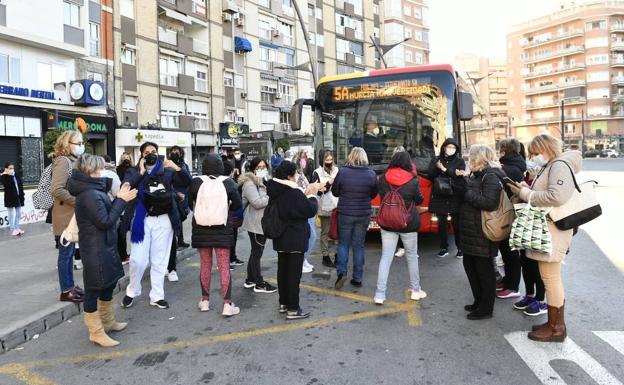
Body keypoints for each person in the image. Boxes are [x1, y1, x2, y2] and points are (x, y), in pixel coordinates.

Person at [509, 134, 582, 343]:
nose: (532, 156)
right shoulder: (552, 164)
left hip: (554, 229)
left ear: (544, 149)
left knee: (551, 279)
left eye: (534, 152)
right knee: (550, 278)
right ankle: (553, 323)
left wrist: (525, 193)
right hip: (549, 227)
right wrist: (524, 189)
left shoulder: (559, 165)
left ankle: (557, 328)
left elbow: (556, 196)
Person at [67, 154, 137, 347]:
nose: (101, 172)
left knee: (108, 284)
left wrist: (118, 196)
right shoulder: (89, 194)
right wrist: (121, 200)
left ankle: (107, 321)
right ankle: (96, 331)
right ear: (88, 171)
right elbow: (105, 221)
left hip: (103, 246)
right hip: (95, 249)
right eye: (97, 169)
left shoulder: (93, 189)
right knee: (93, 289)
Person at [120, 141, 191, 310]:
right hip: (142, 219)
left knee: (160, 259)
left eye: (153, 151)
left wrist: (175, 166)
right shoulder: (133, 171)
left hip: (164, 218)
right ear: (141, 155)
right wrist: (141, 171)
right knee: (138, 259)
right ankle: (133, 290)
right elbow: (127, 186)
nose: (150, 154)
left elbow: (187, 181)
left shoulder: (166, 170)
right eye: (147, 152)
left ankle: (157, 296)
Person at [266, 161, 321, 319]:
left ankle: (283, 303)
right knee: (293, 274)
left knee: (282, 271)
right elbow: (309, 209)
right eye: (295, 174)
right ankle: (293, 308)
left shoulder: (275, 189)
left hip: (280, 237)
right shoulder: (292, 192)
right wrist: (311, 195)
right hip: (295, 237)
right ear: (290, 175)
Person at [189, 154, 243, 316]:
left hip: (201, 229)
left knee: (205, 264)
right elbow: (238, 204)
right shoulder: (228, 182)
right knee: (224, 266)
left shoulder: (196, 182)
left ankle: (205, 301)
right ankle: (227, 304)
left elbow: (189, 203)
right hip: (222, 229)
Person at [459, 144, 504, 321]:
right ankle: (479, 301)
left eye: (471, 157)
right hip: (473, 230)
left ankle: (486, 308)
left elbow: (490, 203)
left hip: (483, 231)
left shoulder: (491, 175)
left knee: (484, 271)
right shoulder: (478, 174)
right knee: (471, 267)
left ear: (479, 159)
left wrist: (466, 193)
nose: (468, 160)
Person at [374, 152, 426, 305]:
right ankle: (416, 291)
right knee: (411, 256)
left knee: (386, 257)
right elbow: (419, 199)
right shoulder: (413, 180)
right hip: (408, 223)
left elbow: (382, 196)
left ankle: (380, 294)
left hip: (388, 222)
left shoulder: (382, 179)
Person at [332, 147, 378, 289]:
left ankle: (341, 273)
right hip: (363, 214)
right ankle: (357, 278)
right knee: (359, 245)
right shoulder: (371, 174)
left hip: (345, 213)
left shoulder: (343, 172)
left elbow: (335, 192)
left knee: (343, 244)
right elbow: (373, 194)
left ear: (351, 156)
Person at [51, 130, 85, 303]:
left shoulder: (72, 161)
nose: (81, 146)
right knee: (65, 254)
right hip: (65, 216)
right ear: (67, 144)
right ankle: (66, 290)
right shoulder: (63, 161)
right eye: (77, 143)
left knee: (70, 253)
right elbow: (56, 189)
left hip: (71, 216)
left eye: (81, 143)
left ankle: (70, 285)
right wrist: (78, 201)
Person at [238, 157, 277, 293]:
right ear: (253, 168)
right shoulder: (249, 183)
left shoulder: (263, 181)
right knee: (257, 253)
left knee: (255, 252)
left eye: (264, 167)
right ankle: (259, 283)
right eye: (259, 167)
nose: (262, 169)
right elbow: (256, 202)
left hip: (262, 222)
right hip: (255, 224)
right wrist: (270, 196)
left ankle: (250, 279)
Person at [495, 139, 527, 301]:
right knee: (506, 251)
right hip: (508, 212)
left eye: (502, 148)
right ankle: (508, 281)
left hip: (510, 213)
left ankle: (513, 286)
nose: (500, 150)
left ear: (506, 150)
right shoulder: (513, 165)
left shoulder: (510, 168)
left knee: (511, 252)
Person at [428, 138, 466, 259]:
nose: (451, 149)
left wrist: (444, 169)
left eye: (453, 147)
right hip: (440, 195)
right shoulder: (436, 159)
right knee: (441, 223)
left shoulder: (460, 161)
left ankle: (460, 248)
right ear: (444, 147)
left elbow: (459, 177)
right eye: (448, 147)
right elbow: (431, 175)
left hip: (455, 195)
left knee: (457, 223)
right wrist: (438, 168)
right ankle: (443, 247)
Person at [166, 146, 192, 282]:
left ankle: (179, 239)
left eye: (177, 152)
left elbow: (188, 180)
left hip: (182, 195)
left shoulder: (183, 166)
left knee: (180, 217)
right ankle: (178, 239)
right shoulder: (166, 166)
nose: (175, 154)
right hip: (171, 196)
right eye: (173, 152)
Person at [310, 150, 339, 268]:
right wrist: (329, 183)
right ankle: (325, 256)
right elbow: (316, 191)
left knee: (338, 232)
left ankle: (338, 256)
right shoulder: (316, 173)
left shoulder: (337, 170)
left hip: (337, 205)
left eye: (331, 160)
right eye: (327, 160)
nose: (329, 162)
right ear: (322, 160)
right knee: (325, 232)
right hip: (324, 206)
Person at [293, 149, 317, 273]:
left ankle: (304, 259)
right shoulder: (296, 176)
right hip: (305, 207)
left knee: (312, 235)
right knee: (311, 235)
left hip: (309, 205)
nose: (305, 161)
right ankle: (302, 260)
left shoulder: (302, 174)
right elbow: (299, 192)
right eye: (303, 159)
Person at [223, 161, 245, 269]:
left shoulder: (218, 182)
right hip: (230, 213)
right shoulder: (230, 182)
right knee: (231, 238)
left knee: (230, 237)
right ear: (232, 171)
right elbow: (238, 202)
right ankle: (228, 260)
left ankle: (232, 258)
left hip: (223, 214)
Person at [116, 152, 133, 264]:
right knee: (122, 230)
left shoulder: (133, 170)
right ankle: (122, 254)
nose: (126, 159)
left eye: (128, 158)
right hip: (122, 200)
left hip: (131, 200)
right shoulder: (118, 170)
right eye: (124, 158)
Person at [1, 162, 25, 236]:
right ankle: (12, 229)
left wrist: (22, 194)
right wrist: (10, 175)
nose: (12, 169)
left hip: (17, 197)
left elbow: (20, 185)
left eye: (12, 168)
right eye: (10, 168)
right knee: (11, 214)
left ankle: (17, 227)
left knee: (18, 213)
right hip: (10, 198)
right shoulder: (4, 176)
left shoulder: (15, 174)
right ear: (6, 169)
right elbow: (8, 185)